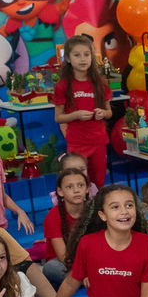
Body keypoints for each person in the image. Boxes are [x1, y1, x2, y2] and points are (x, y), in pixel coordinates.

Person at [52, 34, 111, 188]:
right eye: (77, 55)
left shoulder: (100, 83)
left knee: (98, 183)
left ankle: (97, 210)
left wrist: (103, 113)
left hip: (98, 140)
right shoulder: (63, 86)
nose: (83, 59)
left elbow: (109, 112)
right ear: (69, 59)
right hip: (76, 142)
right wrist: (75, 115)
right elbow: (58, 117)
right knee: (77, 182)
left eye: (86, 54)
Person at [42, 169, 90, 288]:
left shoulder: (94, 211)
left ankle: (88, 279)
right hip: (65, 264)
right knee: (50, 268)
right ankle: (89, 279)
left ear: (87, 188)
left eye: (80, 185)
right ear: (60, 191)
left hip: (90, 261)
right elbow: (63, 256)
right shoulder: (53, 216)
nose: (76, 190)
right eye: (69, 187)